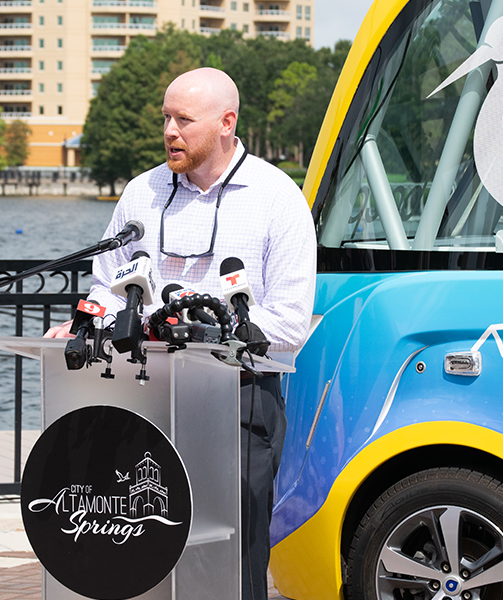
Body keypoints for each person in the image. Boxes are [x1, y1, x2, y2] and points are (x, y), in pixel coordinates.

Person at [46, 67, 316, 600]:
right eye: (165, 118)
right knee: (138, 552)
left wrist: (202, 330)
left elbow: (289, 321)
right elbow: (106, 286)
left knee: (230, 560)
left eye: (184, 120)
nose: (170, 130)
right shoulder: (141, 192)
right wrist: (85, 321)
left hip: (238, 402)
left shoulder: (276, 196)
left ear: (226, 123)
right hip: (141, 398)